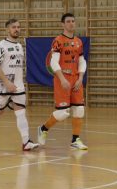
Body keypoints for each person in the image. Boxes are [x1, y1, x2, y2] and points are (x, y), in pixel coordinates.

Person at [0, 19, 39, 152]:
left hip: (18, 86)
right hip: (3, 85)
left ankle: (26, 142)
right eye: (14, 27)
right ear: (7, 29)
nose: (17, 29)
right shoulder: (0, 46)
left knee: (20, 112)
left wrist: (17, 83)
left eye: (18, 27)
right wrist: (7, 82)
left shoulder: (20, 46)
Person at [37, 13, 88, 150]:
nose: (71, 23)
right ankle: (43, 128)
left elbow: (82, 61)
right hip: (62, 79)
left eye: (73, 21)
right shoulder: (58, 41)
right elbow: (53, 62)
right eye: (68, 21)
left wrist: (81, 77)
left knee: (79, 110)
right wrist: (62, 79)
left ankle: (75, 140)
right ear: (63, 24)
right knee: (62, 113)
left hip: (76, 79)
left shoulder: (78, 41)